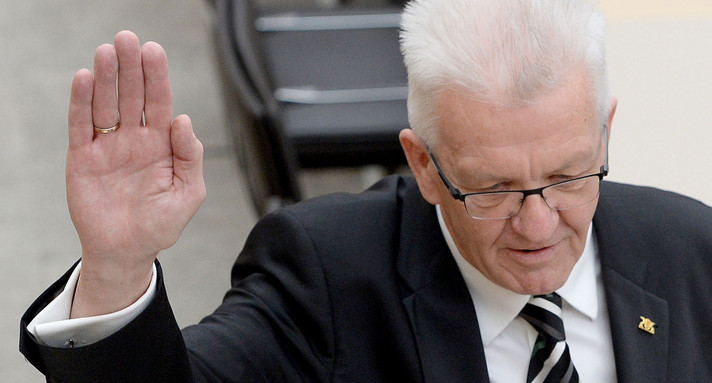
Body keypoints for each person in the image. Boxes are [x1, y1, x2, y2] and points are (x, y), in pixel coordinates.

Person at [20, 0, 712, 382]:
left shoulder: (690, 249)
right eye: (492, 188)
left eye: (567, 176)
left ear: (606, 135)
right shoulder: (326, 274)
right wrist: (116, 267)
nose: (536, 225)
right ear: (423, 163)